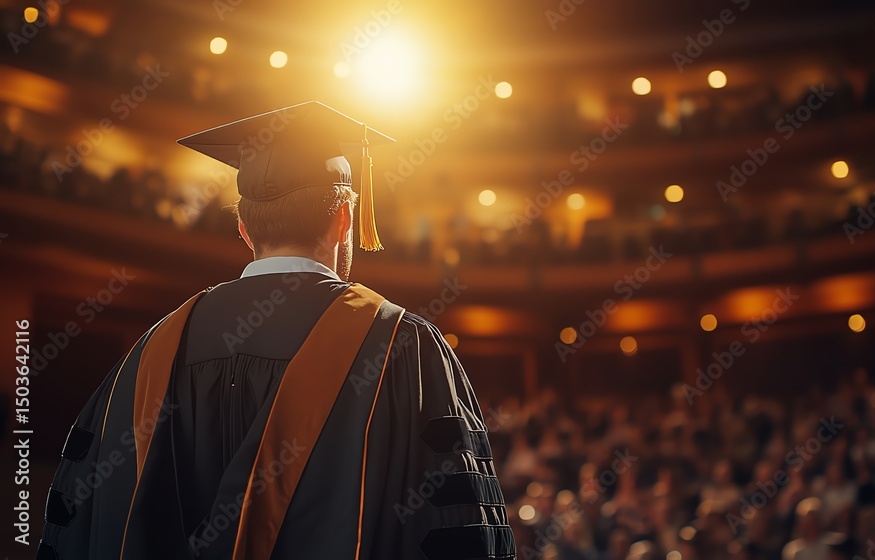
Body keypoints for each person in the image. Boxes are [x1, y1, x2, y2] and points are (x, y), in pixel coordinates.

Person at [35, 101, 515, 560]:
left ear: (244, 228)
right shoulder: (402, 346)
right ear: (344, 218)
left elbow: (80, 518)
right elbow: (456, 524)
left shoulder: (151, 351)